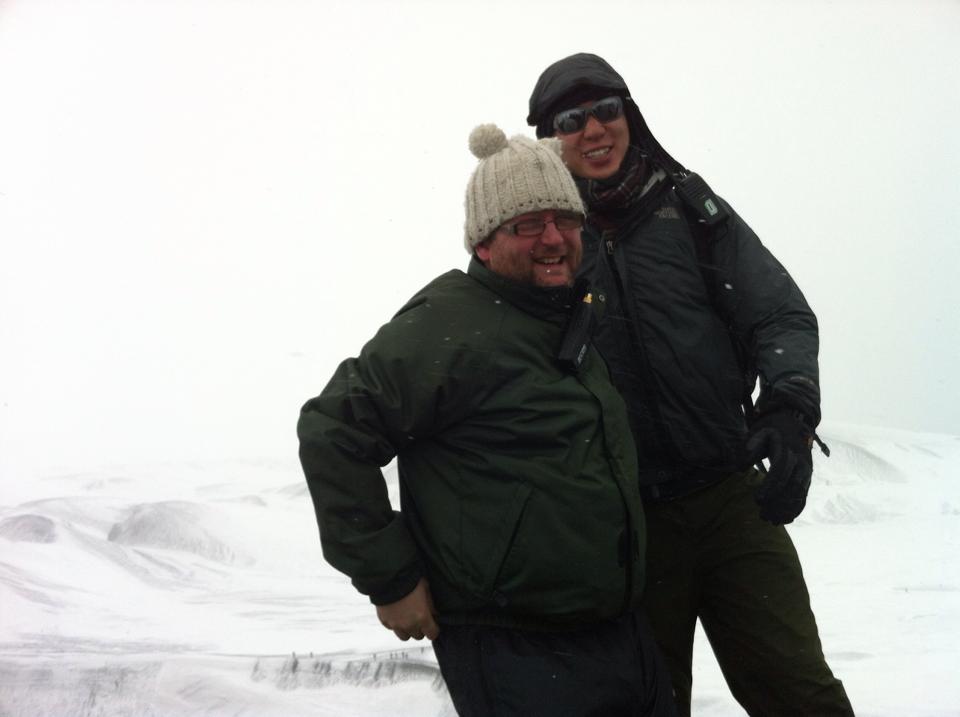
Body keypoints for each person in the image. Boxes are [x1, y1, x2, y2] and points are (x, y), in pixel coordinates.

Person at [297, 123, 677, 716]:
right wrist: (391, 578)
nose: (553, 238)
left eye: (565, 219)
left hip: (618, 635)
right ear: (483, 242)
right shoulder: (451, 322)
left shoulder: (568, 319)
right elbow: (333, 429)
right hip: (517, 652)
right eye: (527, 224)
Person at [526, 53, 854, 716]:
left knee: (801, 694)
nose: (594, 129)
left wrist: (790, 408)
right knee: (644, 705)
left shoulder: (688, 207)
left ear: (630, 115)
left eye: (607, 109)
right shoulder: (544, 241)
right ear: (546, 137)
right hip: (628, 531)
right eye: (571, 118)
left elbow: (778, 311)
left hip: (732, 502)